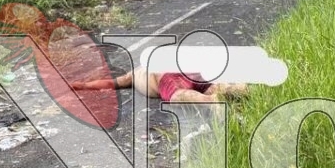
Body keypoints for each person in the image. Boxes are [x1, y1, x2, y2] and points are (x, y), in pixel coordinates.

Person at [71, 68, 246, 103]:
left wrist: (85, 86)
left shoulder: (133, 74)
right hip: (190, 71)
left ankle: (212, 101)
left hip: (165, 78)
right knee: (211, 86)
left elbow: (111, 83)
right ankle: (244, 89)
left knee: (179, 94)